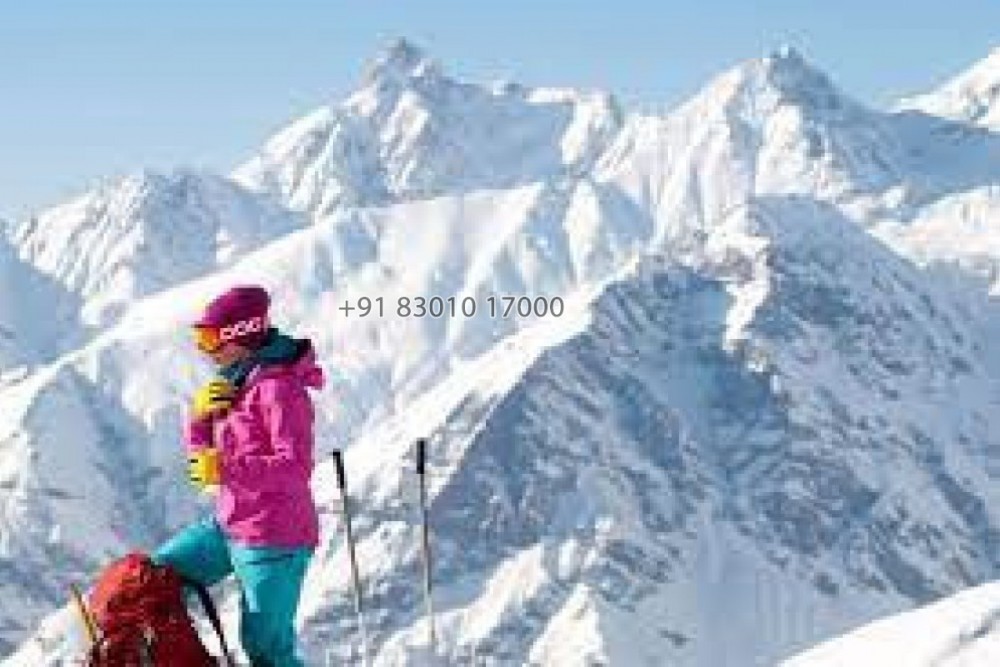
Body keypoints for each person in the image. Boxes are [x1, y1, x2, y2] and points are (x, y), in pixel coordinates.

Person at [152, 285, 324, 667]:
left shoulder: (280, 391)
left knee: (266, 649)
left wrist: (225, 468)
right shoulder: (237, 381)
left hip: (275, 536)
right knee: (155, 579)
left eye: (209, 338)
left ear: (238, 335)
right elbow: (203, 461)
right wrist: (200, 418)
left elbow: (295, 467)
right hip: (231, 523)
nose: (203, 350)